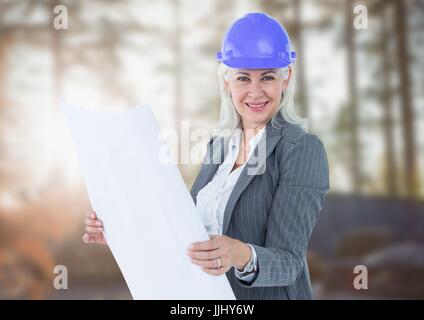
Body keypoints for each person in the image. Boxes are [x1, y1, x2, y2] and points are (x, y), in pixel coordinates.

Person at [83, 12, 329, 300]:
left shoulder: (301, 149)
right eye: (242, 78)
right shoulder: (220, 147)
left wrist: (242, 255)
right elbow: (184, 234)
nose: (255, 91)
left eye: (267, 77)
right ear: (227, 83)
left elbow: (289, 262)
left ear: (285, 79)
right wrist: (119, 232)